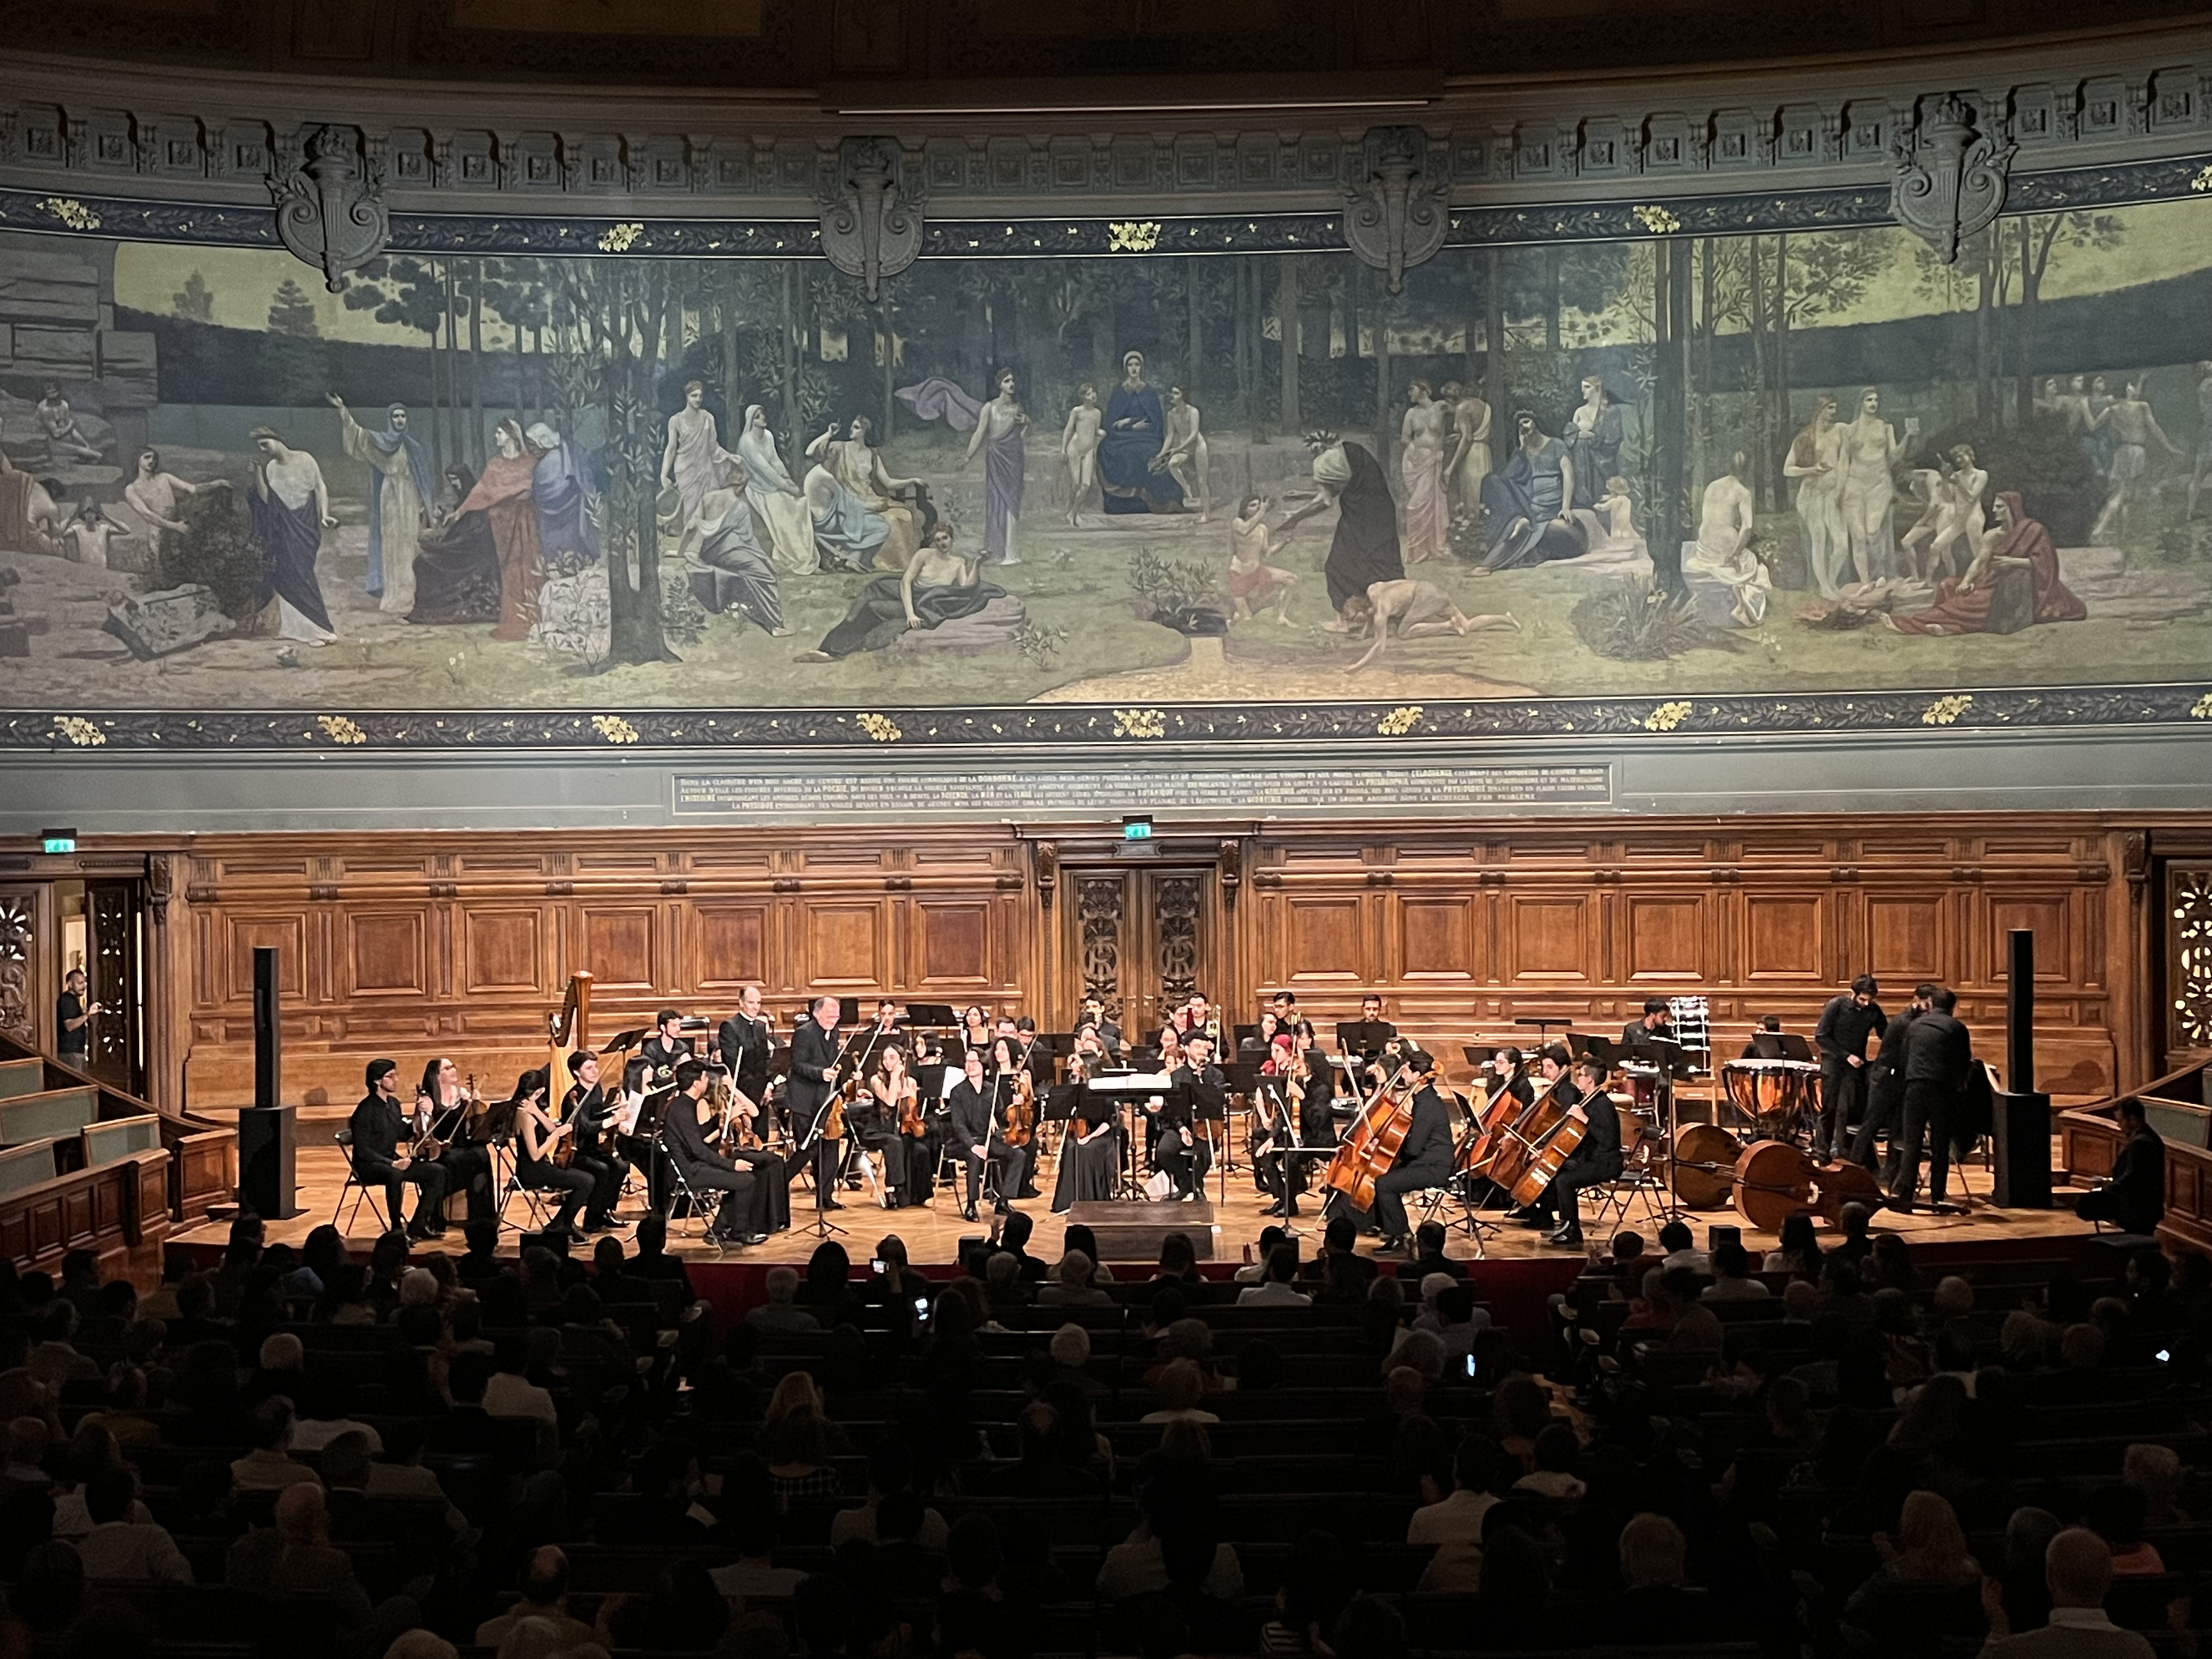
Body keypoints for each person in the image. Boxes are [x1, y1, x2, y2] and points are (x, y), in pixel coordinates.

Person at [798, 518, 1007, 661]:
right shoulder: (924, 555)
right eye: (938, 540)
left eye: (945, 538)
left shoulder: (959, 562)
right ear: (934, 543)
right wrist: (910, 614)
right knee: (868, 602)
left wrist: (978, 563)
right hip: (908, 597)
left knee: (875, 610)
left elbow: (966, 587)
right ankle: (827, 648)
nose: (942, 543)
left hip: (927, 604)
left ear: (952, 539)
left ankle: (835, 652)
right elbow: (905, 582)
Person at [1891, 492, 2087, 637]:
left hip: (2014, 588)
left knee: (1971, 604)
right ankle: (1951, 628)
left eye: (2000, 507)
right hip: (1988, 581)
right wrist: (1967, 580)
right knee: (1949, 585)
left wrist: (2013, 562)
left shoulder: (2034, 530)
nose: (1994, 510)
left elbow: (2046, 564)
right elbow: (1980, 561)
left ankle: (1913, 624)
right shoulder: (1992, 535)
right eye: (1995, 506)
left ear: (2012, 508)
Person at [1976, 1527, 2156, 1659]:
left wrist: (1998, 1627)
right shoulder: (2137, 1650)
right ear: (2108, 1581)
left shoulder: (2015, 1651)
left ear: (2050, 1579)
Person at [1279, 432, 1404, 623]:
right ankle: (1388, 609)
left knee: (1337, 566)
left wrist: (1294, 518)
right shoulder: (1347, 451)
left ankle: (1344, 620)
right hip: (1377, 512)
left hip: (1360, 517)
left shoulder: (1324, 463)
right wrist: (1304, 495)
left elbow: (1325, 501)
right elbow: (1339, 486)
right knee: (1379, 560)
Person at [328, 394, 430, 613]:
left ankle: (412, 594)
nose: (400, 420)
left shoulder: (414, 447)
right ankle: (394, 595)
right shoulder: (381, 442)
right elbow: (359, 437)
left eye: (403, 416)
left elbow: (422, 478)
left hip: (410, 496)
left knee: (410, 543)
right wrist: (343, 411)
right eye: (396, 416)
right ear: (390, 419)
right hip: (390, 496)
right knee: (392, 544)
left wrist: (424, 504)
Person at [453, 419, 545, 642]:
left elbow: (539, 488)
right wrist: (460, 512)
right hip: (504, 525)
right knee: (511, 571)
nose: (496, 437)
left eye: (500, 433)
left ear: (513, 436)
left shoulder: (531, 463)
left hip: (526, 522)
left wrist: (528, 494)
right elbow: (482, 491)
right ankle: (514, 621)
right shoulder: (495, 465)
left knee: (530, 566)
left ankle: (536, 619)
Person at [662, 1060, 773, 1246]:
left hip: (696, 1164)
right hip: (688, 1172)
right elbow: (697, 1149)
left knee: (744, 1178)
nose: (708, 1081)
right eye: (705, 1077)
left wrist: (723, 1120)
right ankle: (736, 1231)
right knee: (746, 1180)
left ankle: (720, 1230)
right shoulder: (681, 1109)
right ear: (696, 1083)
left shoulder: (686, 1104)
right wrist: (731, 1164)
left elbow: (700, 1138)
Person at [246, 425, 338, 646]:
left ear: (277, 439)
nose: (263, 449)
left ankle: (321, 628)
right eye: (260, 446)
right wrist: (258, 474)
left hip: (305, 524)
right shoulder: (270, 468)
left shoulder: (305, 459)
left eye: (265, 444)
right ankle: (299, 630)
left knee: (302, 573)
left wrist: (325, 515)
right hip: (284, 526)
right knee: (286, 574)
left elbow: (320, 487)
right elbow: (269, 500)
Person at [1477, 410, 1594, 569]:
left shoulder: (1556, 445)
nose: (1523, 427)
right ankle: (1521, 521)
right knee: (1492, 480)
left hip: (1552, 506)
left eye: (1526, 422)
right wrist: (1522, 448)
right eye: (1520, 425)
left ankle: (1525, 529)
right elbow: (1506, 478)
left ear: (1536, 421)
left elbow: (1568, 474)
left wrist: (1565, 507)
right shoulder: (1523, 452)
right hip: (1529, 506)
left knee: (1568, 534)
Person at [1892, 987, 1973, 1212]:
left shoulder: (1915, 1026)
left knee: (1912, 1144)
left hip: (1914, 1088)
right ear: (1953, 1007)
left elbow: (1904, 1058)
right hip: (1942, 1090)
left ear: (1931, 1004)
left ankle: (1906, 1197)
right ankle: (1937, 1197)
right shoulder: (1957, 1028)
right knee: (1940, 1145)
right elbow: (1963, 1062)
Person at [349, 1059, 449, 1240]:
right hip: (368, 1165)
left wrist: (420, 1118)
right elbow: (363, 1150)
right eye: (391, 1076)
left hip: (391, 1160)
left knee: (437, 1172)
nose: (396, 1080)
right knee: (394, 1175)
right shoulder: (365, 1111)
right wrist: (392, 1163)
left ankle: (418, 1224)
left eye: (396, 1075)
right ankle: (396, 1230)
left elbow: (402, 1134)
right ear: (377, 1081)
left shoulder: (394, 1104)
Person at [1531, 1058, 1624, 1248]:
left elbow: (1608, 1140)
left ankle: (1573, 1229)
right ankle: (1560, 1221)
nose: (1578, 1079)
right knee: (1556, 1171)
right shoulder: (1588, 1101)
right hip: (1590, 1159)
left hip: (1606, 1163)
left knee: (1565, 1180)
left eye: (1581, 1075)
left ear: (1590, 1079)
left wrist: (1585, 1119)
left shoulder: (1603, 1104)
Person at [1370, 1052, 1453, 1253]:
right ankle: (1392, 1230)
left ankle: (1401, 1235)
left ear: (1417, 1075)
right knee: (1384, 1177)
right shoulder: (1423, 1098)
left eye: (1407, 1070)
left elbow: (1414, 1147)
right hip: (1426, 1161)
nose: (1403, 1073)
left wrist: (1394, 1155)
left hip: (1434, 1166)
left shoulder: (1427, 1105)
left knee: (1385, 1184)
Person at [1341, 577, 1517, 672]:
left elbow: (1380, 646)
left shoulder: (1381, 611)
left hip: (1424, 596)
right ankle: (1505, 619)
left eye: (1357, 619)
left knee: (1404, 632)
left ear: (1362, 609)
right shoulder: (1373, 590)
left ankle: (1449, 625)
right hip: (1431, 590)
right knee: (1466, 626)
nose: (1358, 622)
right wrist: (1364, 633)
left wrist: (1358, 666)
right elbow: (1370, 615)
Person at [1854, 983, 1934, 1177]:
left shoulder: (1915, 1020)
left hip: (1899, 1077)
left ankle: (1893, 1174)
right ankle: (1852, 1169)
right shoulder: (1907, 1022)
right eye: (1929, 1003)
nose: (1931, 1008)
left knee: (1898, 1129)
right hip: (1885, 1077)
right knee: (1871, 1124)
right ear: (1918, 1001)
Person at [2089, 377, 2181, 544]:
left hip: (2122, 451)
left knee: (2126, 497)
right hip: (2137, 452)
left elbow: (2094, 426)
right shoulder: (2141, 406)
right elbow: (2155, 428)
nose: (2133, 389)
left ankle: (2122, 537)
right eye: (2131, 386)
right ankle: (2100, 529)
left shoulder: (2113, 409)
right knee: (2123, 494)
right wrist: (2169, 447)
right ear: (2127, 390)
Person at [509, 1068, 597, 1240]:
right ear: (541, 1090)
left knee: (585, 1179)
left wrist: (540, 1114)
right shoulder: (524, 1115)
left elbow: (550, 1127)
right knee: (587, 1181)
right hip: (532, 1171)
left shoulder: (530, 1107)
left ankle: (562, 1224)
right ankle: (560, 1225)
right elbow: (535, 1155)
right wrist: (555, 1135)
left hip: (542, 1166)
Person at [1683, 452, 1768, 627]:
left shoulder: (1712, 486)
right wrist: (1736, 553)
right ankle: (1742, 606)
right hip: (1725, 543)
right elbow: (1748, 526)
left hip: (1705, 541)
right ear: (1746, 471)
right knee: (1752, 563)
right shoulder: (1742, 492)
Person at [732, 405, 819, 576]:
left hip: (774, 485)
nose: (763, 418)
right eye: (757, 416)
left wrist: (787, 479)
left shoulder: (769, 436)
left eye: (763, 414)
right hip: (758, 488)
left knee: (798, 506)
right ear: (751, 421)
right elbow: (764, 469)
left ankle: (803, 556)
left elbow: (775, 461)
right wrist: (787, 487)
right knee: (784, 513)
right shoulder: (747, 441)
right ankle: (797, 559)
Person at [1839, 387, 1910, 584]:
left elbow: (1894, 457)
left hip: (1879, 483)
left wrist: (1909, 437)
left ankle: (1878, 574)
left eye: (1876, 400)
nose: (1873, 404)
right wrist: (1840, 490)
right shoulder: (1850, 430)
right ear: (1861, 402)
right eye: (1869, 400)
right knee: (1859, 536)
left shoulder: (1885, 427)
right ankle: (1865, 582)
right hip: (1854, 483)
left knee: (1873, 531)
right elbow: (1844, 461)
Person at [1096, 351, 1177, 518]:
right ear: (1126, 368)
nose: (1134, 369)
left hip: (1147, 435)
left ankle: (1151, 501)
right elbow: (1112, 423)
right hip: (1122, 437)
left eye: (1137, 365)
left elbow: (1157, 421)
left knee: (1150, 452)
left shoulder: (1149, 392)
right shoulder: (1119, 392)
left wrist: (1144, 427)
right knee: (1114, 451)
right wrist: (1131, 425)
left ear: (1141, 368)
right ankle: (1121, 504)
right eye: (1130, 365)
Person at [1815, 974, 1887, 1163]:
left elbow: (1886, 1034)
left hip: (1856, 1066)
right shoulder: (1837, 1006)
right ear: (1852, 993)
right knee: (1829, 1109)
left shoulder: (1873, 1010)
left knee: (1849, 1111)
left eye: (1870, 999)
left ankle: (1846, 1153)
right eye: (1862, 999)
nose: (1866, 1003)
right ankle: (1823, 1155)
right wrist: (1846, 1056)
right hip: (1834, 1063)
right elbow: (1822, 1036)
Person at [1785, 394, 1849, 598]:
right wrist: (1812, 469)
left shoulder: (1840, 430)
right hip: (1812, 495)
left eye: (1834, 408)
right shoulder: (1806, 437)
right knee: (1819, 540)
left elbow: (1844, 462)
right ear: (1820, 409)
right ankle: (1823, 586)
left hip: (1832, 495)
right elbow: (1788, 470)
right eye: (1830, 408)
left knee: (1841, 544)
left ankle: (1831, 582)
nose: (1833, 412)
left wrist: (1840, 489)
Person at [659, 381, 736, 540]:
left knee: (711, 505)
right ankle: (692, 547)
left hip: (707, 469)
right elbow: (671, 448)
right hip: (686, 470)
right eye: (694, 396)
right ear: (687, 397)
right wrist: (663, 475)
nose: (698, 399)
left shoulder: (708, 418)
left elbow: (713, 447)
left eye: (701, 396)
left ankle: (708, 547)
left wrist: (730, 457)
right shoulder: (676, 420)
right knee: (692, 509)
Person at [2076, 1098, 2165, 1236]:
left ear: (2133, 1119)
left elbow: (2133, 1178)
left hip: (2139, 1211)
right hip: (2139, 1210)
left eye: (2120, 1121)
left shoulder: (2142, 1143)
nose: (2119, 1126)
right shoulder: (2143, 1138)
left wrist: (2106, 1188)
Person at [560, 1051, 627, 1233]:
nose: (595, 1071)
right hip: (577, 1151)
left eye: (595, 1067)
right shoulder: (573, 1098)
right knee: (602, 1169)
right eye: (589, 1068)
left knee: (620, 1167)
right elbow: (584, 1127)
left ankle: (604, 1211)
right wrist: (611, 1121)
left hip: (592, 1148)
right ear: (576, 1072)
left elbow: (597, 1114)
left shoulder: (596, 1089)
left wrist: (614, 1109)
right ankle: (591, 1220)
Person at [788, 996, 844, 1207]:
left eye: (837, 1017)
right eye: (830, 1016)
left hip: (825, 1102)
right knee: (807, 1150)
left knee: (830, 1149)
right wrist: (821, 1073)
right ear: (816, 1013)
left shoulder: (834, 1032)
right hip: (805, 1102)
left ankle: (825, 1198)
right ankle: (779, 1181)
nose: (834, 1021)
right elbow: (798, 1065)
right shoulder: (804, 1033)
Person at [949, 1047, 1015, 1222]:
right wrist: (974, 1146)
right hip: (963, 1142)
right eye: (967, 1062)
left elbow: (1001, 1116)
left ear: (983, 1066)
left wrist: (1013, 1107)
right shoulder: (957, 1092)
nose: (970, 1065)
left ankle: (1003, 1200)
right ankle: (971, 1205)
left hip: (987, 1139)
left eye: (974, 1062)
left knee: (1018, 1155)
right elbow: (958, 1125)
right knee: (974, 1158)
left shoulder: (991, 1090)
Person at [1154, 1034, 1222, 1201]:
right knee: (1164, 1152)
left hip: (1206, 1127)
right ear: (1187, 1049)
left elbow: (1219, 1103)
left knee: (1203, 1155)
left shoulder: (1215, 1075)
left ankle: (1189, 1188)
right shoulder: (1177, 1076)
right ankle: (1190, 1185)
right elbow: (1171, 1108)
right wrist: (1182, 1128)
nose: (1201, 1051)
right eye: (1197, 1046)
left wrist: (1202, 1080)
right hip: (1181, 1126)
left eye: (1204, 1047)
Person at [526, 419, 601, 568]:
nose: (531, 450)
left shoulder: (548, 463)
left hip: (563, 522)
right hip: (570, 519)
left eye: (533, 445)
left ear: (543, 441)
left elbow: (543, 493)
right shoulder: (566, 453)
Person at [1052, 1053, 1120, 1212]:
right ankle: (1068, 1201)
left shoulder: (1104, 1089)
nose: (1074, 1066)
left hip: (1101, 1135)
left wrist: (1090, 1137)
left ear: (1088, 1067)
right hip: (1083, 1133)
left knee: (1085, 1149)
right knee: (1070, 1147)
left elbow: (1108, 1123)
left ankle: (1089, 1199)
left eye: (1077, 1063)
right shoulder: (1076, 1087)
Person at [1399, 380, 1452, 561]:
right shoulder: (1411, 414)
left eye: (1412, 389)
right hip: (1415, 464)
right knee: (1416, 505)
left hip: (1433, 463)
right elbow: (1406, 438)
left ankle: (1429, 547)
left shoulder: (1440, 407)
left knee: (1420, 505)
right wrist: (1414, 452)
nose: (1409, 394)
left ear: (1424, 390)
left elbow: (1460, 408)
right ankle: (1417, 550)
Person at [1227, 495, 1301, 624]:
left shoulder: (1262, 529)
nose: (1257, 508)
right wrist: (1263, 511)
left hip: (1257, 571)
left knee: (1291, 579)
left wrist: (1284, 542)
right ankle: (1235, 619)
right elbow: (1245, 530)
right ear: (1244, 509)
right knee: (1247, 621)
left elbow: (1267, 553)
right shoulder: (1238, 523)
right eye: (1253, 505)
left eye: (1259, 505)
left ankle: (1281, 617)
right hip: (1240, 574)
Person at [1153, 385, 1212, 521]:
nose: (1172, 396)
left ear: (1183, 395)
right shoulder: (1171, 414)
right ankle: (1187, 488)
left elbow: (1194, 434)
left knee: (1202, 481)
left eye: (1175, 393)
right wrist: (1161, 454)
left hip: (1198, 446)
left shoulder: (1193, 412)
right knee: (1172, 464)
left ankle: (1206, 514)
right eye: (1172, 393)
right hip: (1183, 448)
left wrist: (1178, 449)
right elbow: (1170, 436)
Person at [1442, 380, 1494, 515]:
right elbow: (1479, 434)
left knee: (1472, 499)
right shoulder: (1485, 406)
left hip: (1471, 457)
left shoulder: (1462, 408)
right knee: (1484, 498)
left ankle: (1471, 531)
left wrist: (1450, 468)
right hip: (1484, 453)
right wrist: (1457, 437)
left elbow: (1468, 438)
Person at [1062, 382, 1103, 523]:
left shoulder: (1098, 413)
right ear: (1083, 397)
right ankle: (1069, 510)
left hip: (1089, 450)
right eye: (1089, 394)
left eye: (1093, 393)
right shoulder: (1077, 411)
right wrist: (1063, 449)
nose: (1093, 396)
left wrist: (1100, 433)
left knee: (1086, 485)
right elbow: (1068, 429)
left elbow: (1095, 430)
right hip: (1075, 449)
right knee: (1075, 484)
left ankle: (1073, 513)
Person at [1237, 1246, 1311, 1307]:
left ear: (1270, 1270)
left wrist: (1250, 1270)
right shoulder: (1305, 1302)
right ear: (1294, 1272)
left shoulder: (1247, 1295)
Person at [54, 967, 98, 1064]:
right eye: (80, 983)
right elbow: (69, 1025)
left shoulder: (74, 1000)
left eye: (85, 983)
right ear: (70, 984)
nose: (84, 986)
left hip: (77, 1051)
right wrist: (87, 1014)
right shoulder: (67, 1000)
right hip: (70, 1052)